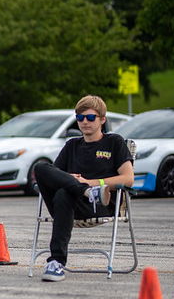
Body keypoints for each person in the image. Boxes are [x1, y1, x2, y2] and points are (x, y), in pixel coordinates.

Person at [33, 95, 134, 282]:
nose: (84, 122)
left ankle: (56, 262)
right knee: (41, 168)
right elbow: (55, 175)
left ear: (102, 119)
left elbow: (128, 179)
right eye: (80, 118)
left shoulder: (114, 142)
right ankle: (85, 191)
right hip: (70, 206)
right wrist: (77, 183)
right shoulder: (72, 145)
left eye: (90, 117)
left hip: (100, 205)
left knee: (63, 193)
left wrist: (92, 183)